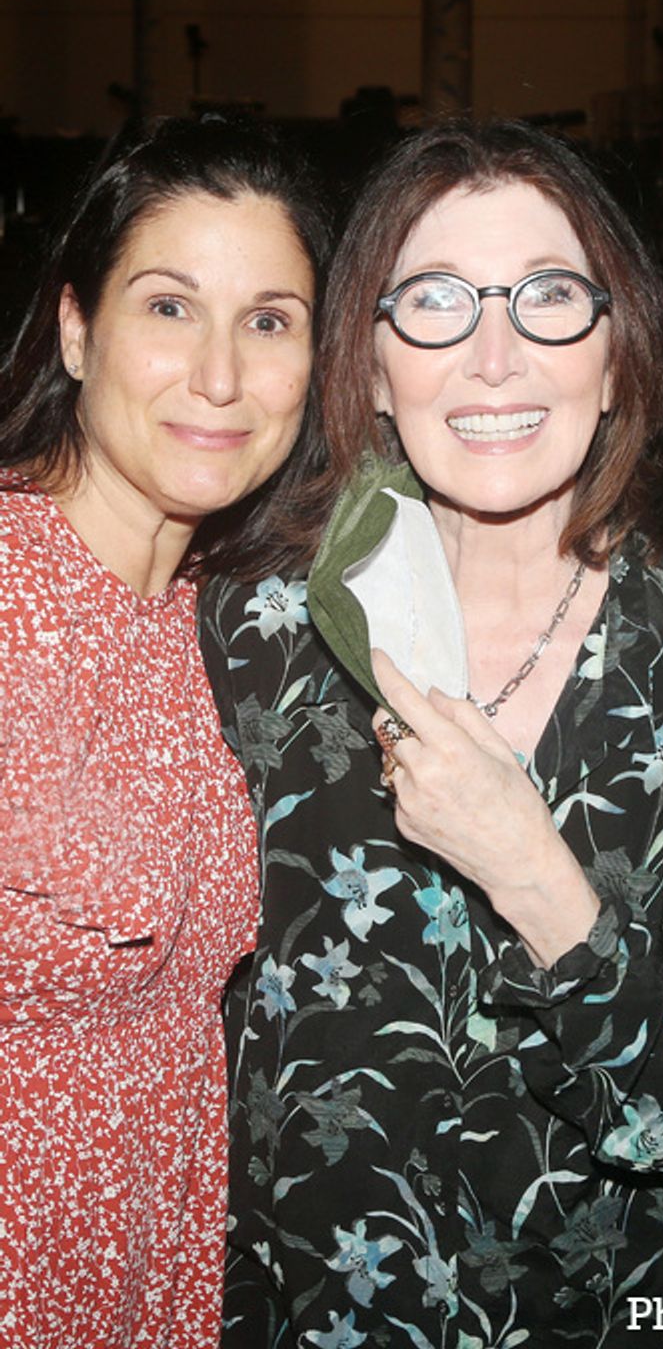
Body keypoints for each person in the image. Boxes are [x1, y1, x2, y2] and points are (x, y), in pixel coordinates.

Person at [201, 119, 663, 1347]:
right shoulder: (255, 638)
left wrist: (537, 878)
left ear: (619, 356)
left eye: (550, 297)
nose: (494, 359)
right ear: (371, 364)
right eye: (436, 302)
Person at [0, 115, 330, 1347]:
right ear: (78, 330)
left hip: (151, 1271)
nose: (221, 379)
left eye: (269, 320)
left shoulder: (230, 630)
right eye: (170, 307)